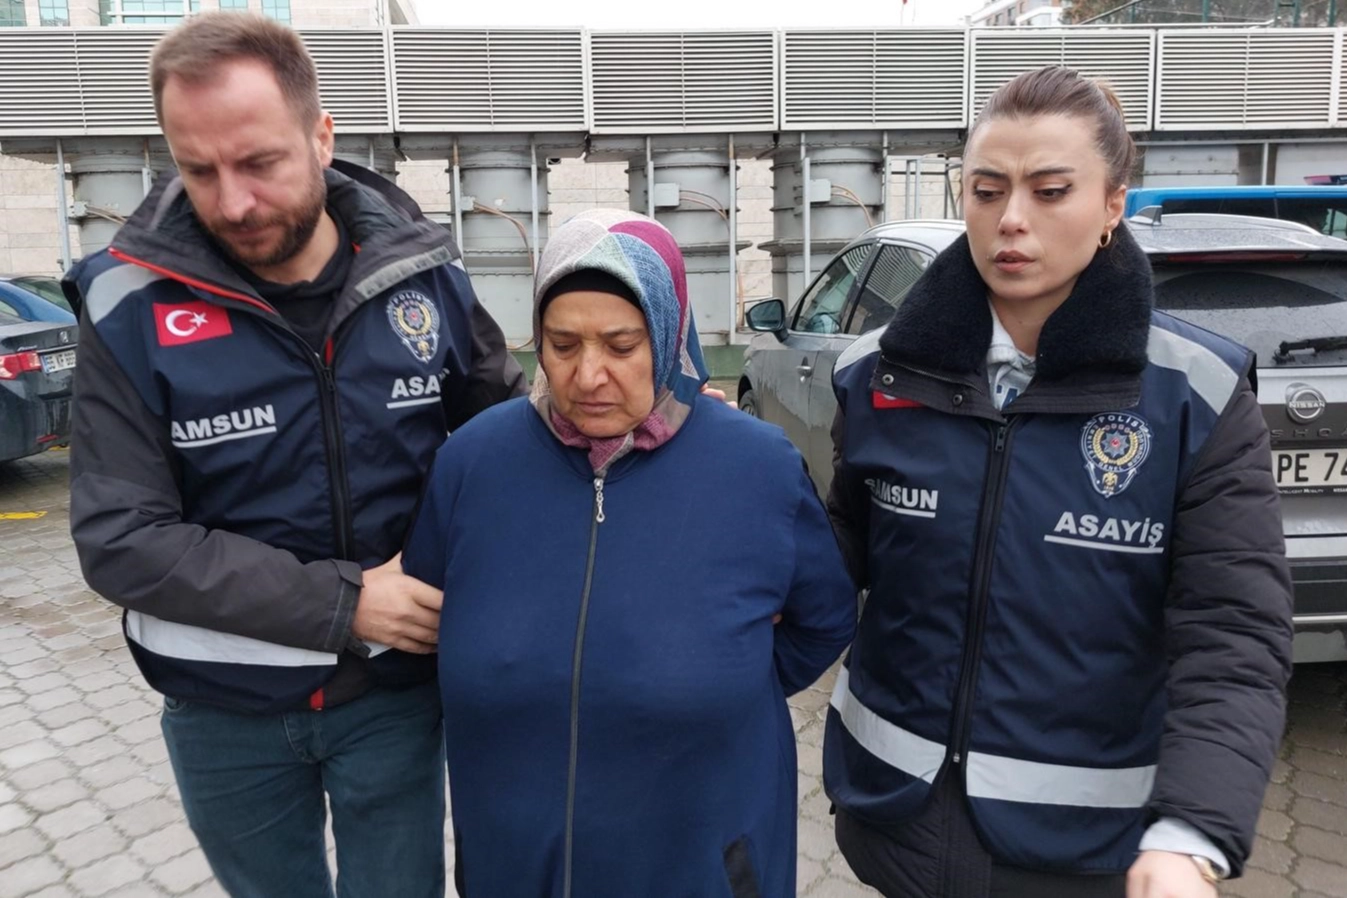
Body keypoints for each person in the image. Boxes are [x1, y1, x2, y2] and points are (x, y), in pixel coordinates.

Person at [63, 13, 526, 897]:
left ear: (321, 137)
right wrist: (347, 604)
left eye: (259, 163)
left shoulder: (421, 270)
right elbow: (122, 539)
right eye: (199, 170)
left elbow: (508, 433)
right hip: (222, 709)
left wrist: (649, 427)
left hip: (394, 696)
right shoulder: (125, 303)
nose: (233, 202)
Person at [823, 66, 1293, 898]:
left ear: (1112, 205)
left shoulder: (1197, 396)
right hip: (893, 824)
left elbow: (1232, 634)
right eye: (986, 190)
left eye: (1048, 191)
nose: (1010, 219)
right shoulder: (874, 373)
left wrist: (1192, 833)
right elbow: (833, 560)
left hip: (1081, 854)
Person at [401, 209, 857, 898]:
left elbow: (824, 619)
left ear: (667, 334)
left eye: (621, 345)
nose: (588, 376)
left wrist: (717, 682)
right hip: (515, 865)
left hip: (700, 866)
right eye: (562, 345)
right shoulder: (471, 464)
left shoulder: (757, 467)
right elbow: (428, 616)